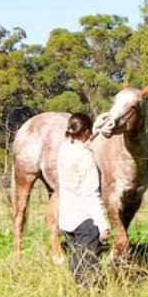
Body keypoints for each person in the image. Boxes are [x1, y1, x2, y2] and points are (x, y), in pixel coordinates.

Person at [56, 111, 110, 286]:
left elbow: (78, 138)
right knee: (88, 268)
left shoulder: (64, 148)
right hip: (84, 221)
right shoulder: (85, 157)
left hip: (66, 219)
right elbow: (91, 193)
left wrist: (94, 128)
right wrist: (103, 225)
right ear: (86, 132)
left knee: (76, 265)